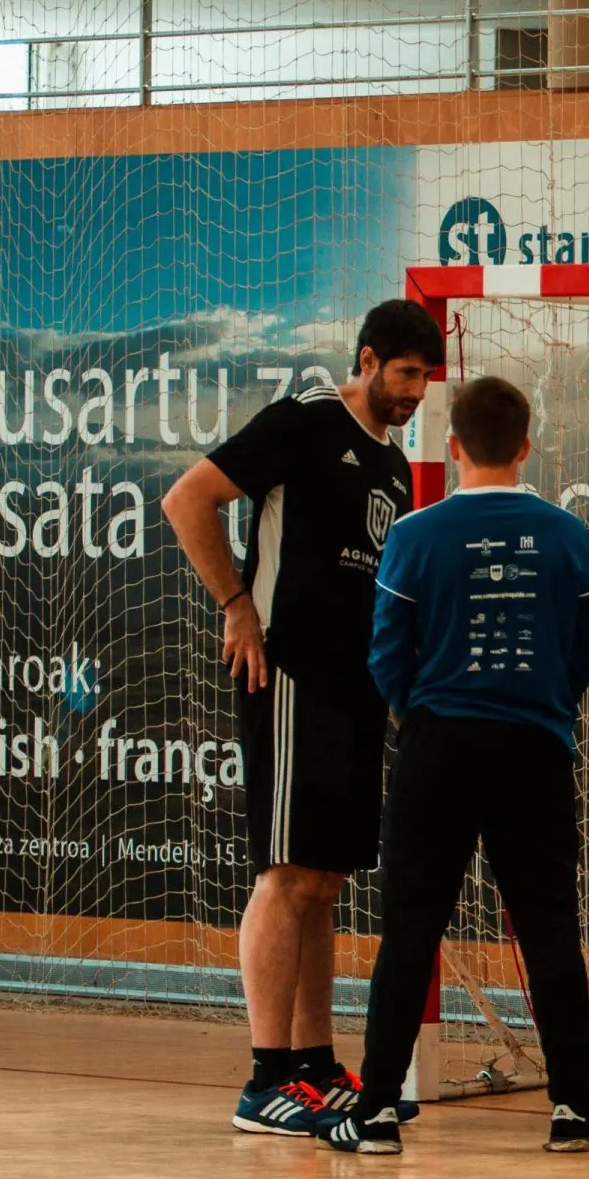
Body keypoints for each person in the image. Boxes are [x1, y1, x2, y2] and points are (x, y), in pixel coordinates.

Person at [162, 299, 443, 1136]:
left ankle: (315, 1064)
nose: (416, 392)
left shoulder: (395, 468)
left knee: (324, 881)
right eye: (404, 374)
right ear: (366, 360)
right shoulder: (306, 420)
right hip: (289, 675)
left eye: (426, 379)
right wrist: (237, 606)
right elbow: (188, 499)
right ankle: (264, 1078)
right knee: (286, 876)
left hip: (356, 691)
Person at [316, 375, 589, 1155]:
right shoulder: (565, 533)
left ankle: (376, 1110)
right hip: (535, 748)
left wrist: (422, 710)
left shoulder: (414, 534)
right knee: (549, 930)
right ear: (524, 446)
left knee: (410, 929)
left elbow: (385, 650)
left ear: (450, 448)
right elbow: (588, 643)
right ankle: (574, 1110)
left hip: (437, 746)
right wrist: (546, 699)